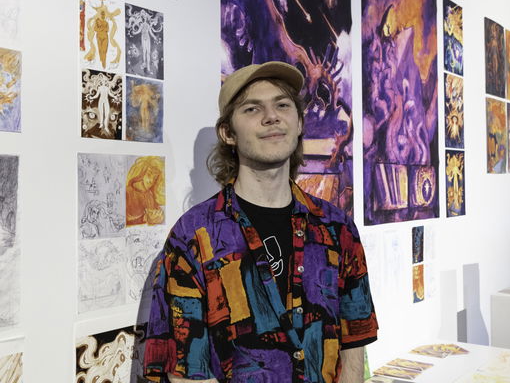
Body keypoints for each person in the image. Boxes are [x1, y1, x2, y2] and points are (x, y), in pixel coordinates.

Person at [143, 61, 378, 383]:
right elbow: (186, 371)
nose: (272, 117)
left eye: (282, 105)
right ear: (228, 133)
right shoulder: (194, 236)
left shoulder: (337, 228)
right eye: (253, 109)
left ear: (298, 124)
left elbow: (355, 338)